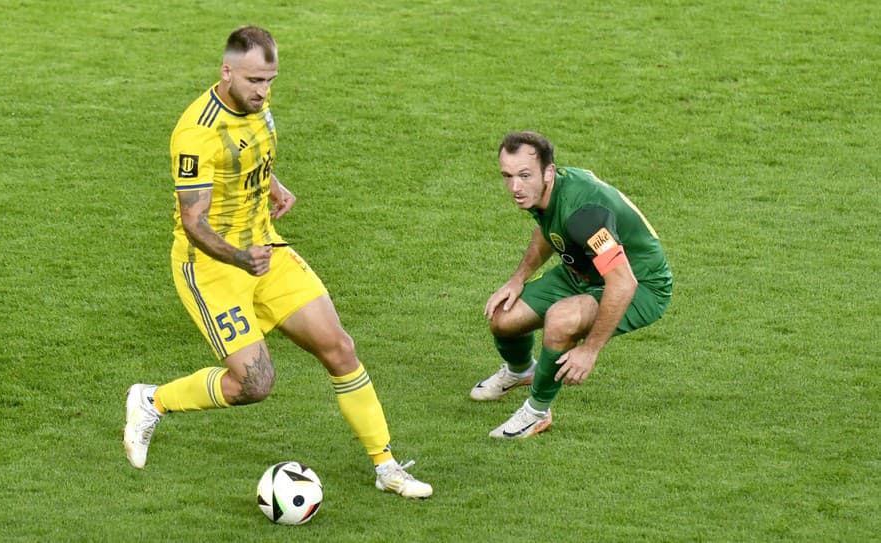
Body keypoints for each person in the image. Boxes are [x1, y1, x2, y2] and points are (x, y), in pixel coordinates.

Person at [123, 26, 431, 499]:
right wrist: (242, 259)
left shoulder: (257, 106)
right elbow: (194, 224)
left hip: (265, 249)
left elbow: (251, 156)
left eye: (271, 81)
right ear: (226, 71)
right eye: (254, 81)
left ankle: (386, 466)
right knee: (253, 383)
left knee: (340, 348)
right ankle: (152, 400)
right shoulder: (196, 132)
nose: (264, 92)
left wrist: (272, 185)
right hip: (212, 265)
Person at [471, 131, 672, 439]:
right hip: (582, 271)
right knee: (503, 316)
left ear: (548, 171)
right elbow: (548, 227)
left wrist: (590, 349)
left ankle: (537, 412)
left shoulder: (586, 216)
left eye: (524, 175)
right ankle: (521, 370)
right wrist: (517, 279)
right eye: (507, 176)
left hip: (640, 283)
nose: (515, 187)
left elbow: (622, 282)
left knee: (562, 320)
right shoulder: (547, 192)